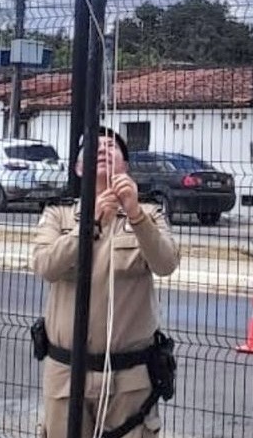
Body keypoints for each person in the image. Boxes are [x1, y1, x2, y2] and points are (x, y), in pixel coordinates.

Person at [31, 127, 180, 437]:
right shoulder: (59, 213)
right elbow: (46, 266)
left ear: (125, 165)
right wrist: (89, 224)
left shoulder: (148, 212)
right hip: (66, 374)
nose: (102, 149)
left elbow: (165, 264)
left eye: (112, 146)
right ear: (78, 167)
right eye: (93, 146)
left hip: (130, 378)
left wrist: (135, 213)